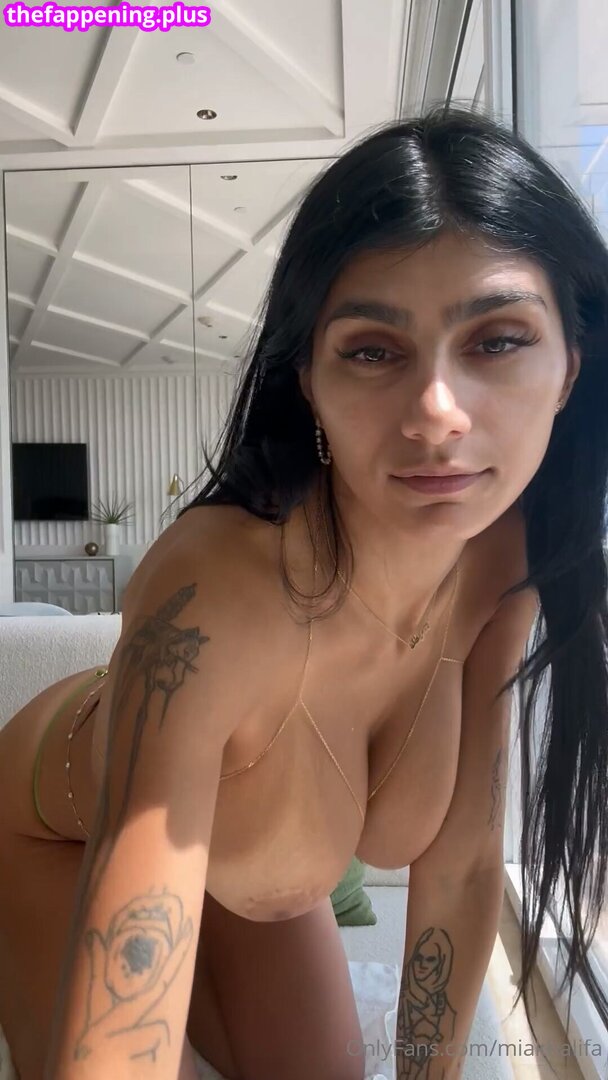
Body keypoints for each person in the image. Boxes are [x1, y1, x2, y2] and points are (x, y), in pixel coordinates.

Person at [1, 103, 607, 1080]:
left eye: (498, 339)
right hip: (46, 825)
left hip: (250, 879)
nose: (436, 413)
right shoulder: (219, 590)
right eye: (371, 349)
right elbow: (119, 1026)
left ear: (570, 365)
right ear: (309, 382)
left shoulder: (508, 562)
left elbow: (458, 867)